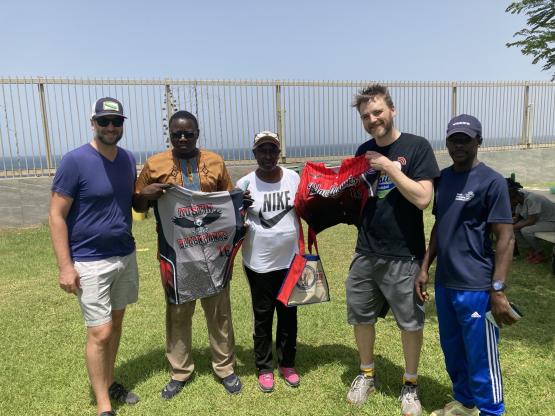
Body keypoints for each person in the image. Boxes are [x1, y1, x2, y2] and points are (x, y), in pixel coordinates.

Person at [345, 84, 440, 415]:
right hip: (366, 250)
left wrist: (389, 167)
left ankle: (410, 384)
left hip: (405, 253)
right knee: (360, 315)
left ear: (392, 110)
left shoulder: (417, 147)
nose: (372, 119)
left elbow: (424, 198)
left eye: (377, 112)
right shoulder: (363, 149)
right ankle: (366, 373)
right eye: (366, 116)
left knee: (410, 323)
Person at [133, 110, 242, 398]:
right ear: (169, 134)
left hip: (212, 251)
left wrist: (242, 203)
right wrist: (147, 194)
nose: (183, 138)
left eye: (188, 133)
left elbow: (227, 204)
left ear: (197, 133)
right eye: (177, 133)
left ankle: (225, 368)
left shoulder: (215, 161)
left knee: (219, 311)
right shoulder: (154, 164)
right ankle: (180, 371)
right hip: (175, 251)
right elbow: (138, 204)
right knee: (178, 312)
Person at [416, 114, 517, 416]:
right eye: (453, 139)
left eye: (465, 139)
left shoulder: (492, 182)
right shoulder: (444, 179)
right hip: (446, 282)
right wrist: (424, 268)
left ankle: (491, 411)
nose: (458, 145)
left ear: (478, 142)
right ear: (446, 142)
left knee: (480, 355)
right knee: (453, 350)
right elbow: (439, 226)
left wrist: (497, 289)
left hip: (476, 286)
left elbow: (506, 237)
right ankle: (466, 403)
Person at [49, 97, 140, 416]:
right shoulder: (75, 161)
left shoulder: (128, 160)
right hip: (89, 260)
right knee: (99, 331)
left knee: (115, 323)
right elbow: (56, 215)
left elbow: (131, 201)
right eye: (104, 121)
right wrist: (65, 266)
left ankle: (110, 381)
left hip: (125, 255)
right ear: (93, 123)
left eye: (116, 122)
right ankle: (103, 405)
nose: (111, 127)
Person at [236, 131, 301, 393]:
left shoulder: (293, 177)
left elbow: (305, 206)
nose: (267, 156)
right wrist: (240, 208)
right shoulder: (244, 183)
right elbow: (234, 221)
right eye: (261, 150)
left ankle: (287, 363)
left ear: (279, 152)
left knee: (289, 314)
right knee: (263, 316)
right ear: (254, 154)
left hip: (290, 261)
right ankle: (264, 366)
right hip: (259, 263)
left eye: (272, 150)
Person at [507, 178, 555, 264]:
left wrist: (512, 226)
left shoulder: (531, 199)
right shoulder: (520, 199)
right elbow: (517, 217)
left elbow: (531, 221)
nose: (509, 204)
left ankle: (541, 253)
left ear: (515, 197)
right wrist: (511, 222)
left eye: (509, 201)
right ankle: (531, 250)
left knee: (526, 230)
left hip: (551, 221)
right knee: (516, 228)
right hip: (540, 220)